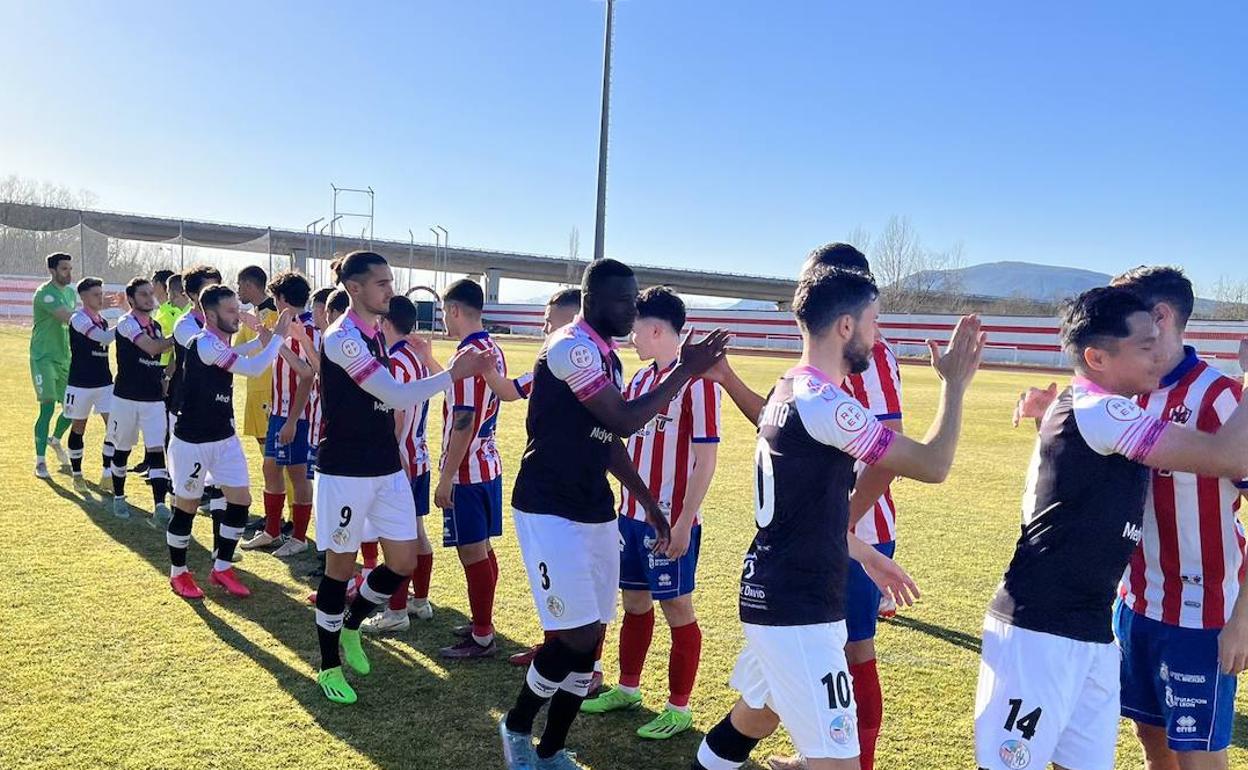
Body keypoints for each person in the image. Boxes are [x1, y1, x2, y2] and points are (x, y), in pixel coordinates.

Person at [692, 264, 980, 770]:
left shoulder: (787, 389)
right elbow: (933, 464)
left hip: (777, 594)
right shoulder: (826, 403)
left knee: (754, 718)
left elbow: (802, 512)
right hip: (799, 611)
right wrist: (954, 384)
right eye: (874, 321)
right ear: (846, 326)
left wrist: (866, 553)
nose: (879, 333)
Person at [977, 286, 1248, 770]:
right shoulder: (1102, 410)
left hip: (1092, 633)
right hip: (1038, 631)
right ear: (1097, 357)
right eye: (1144, 347)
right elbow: (1225, 456)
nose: (1157, 357)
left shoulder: (1097, 405)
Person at [498, 258, 729, 770]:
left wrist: (649, 504)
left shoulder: (610, 359)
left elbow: (606, 444)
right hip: (548, 509)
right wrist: (687, 369)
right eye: (623, 300)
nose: (631, 309)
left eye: (634, 299)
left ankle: (552, 749)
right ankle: (516, 726)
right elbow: (624, 422)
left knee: (593, 634)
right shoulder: (571, 348)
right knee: (575, 636)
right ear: (593, 301)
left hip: (596, 511)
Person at [311, 251, 495, 705]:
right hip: (346, 470)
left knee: (404, 562)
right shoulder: (342, 338)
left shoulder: (376, 334)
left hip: (387, 466)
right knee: (339, 568)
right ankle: (329, 665)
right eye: (381, 284)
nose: (390, 291)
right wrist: (453, 373)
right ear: (354, 289)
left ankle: (352, 624)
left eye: (391, 283)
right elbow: (392, 394)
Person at [761, 244, 905, 770]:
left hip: (856, 526)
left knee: (854, 651)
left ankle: (854, 762)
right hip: (818, 530)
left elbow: (891, 448)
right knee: (817, 655)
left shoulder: (874, 354)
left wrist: (844, 517)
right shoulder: (817, 356)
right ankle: (819, 755)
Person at [579, 286, 721, 741]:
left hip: (670, 524)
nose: (630, 337)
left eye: (636, 328)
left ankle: (679, 708)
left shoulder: (696, 384)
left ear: (656, 328)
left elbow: (706, 459)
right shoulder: (639, 381)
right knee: (634, 603)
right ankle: (628, 688)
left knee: (677, 607)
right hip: (629, 519)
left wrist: (682, 522)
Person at [165, 285, 299, 600]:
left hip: (224, 438)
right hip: (193, 441)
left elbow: (238, 356)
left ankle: (222, 567)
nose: (237, 315)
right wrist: (277, 336)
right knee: (187, 507)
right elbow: (251, 369)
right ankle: (178, 574)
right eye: (230, 311)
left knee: (240, 500)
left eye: (237, 308)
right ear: (209, 315)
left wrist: (260, 341)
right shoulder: (204, 342)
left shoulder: (217, 345)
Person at [481, 287, 582, 667]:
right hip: (543, 484)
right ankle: (553, 645)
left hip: (573, 488)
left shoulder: (590, 363)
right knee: (550, 571)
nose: (543, 327)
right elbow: (508, 391)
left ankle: (585, 662)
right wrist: (487, 369)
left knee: (577, 577)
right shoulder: (547, 363)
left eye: (548, 320)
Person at [436, 278, 510, 660]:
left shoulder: (467, 355)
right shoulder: (493, 348)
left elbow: (463, 418)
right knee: (481, 547)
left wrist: (446, 477)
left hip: (467, 470)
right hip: (488, 461)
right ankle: (484, 622)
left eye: (444, 313)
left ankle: (481, 635)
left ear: (455, 310)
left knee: (471, 551)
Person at [361, 295, 440, 633]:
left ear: (385, 322)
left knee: (397, 537)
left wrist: (388, 456)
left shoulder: (393, 360)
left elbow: (397, 412)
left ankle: (396, 612)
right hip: (418, 453)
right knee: (416, 532)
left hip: (400, 458)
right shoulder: (415, 357)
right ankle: (419, 601)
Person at [242, 271, 316, 557]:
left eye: (275, 297)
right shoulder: (285, 326)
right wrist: (263, 332)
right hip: (278, 411)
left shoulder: (308, 329)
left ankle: (299, 537)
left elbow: (309, 377)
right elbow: (275, 351)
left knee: (298, 475)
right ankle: (272, 531)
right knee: (270, 468)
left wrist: (294, 420)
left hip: (300, 414)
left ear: (283, 299)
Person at [109, 277, 176, 521]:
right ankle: (118, 498)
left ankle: (160, 506)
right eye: (144, 294)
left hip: (153, 399)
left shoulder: (157, 326)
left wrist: (166, 377)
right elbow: (152, 348)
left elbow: (166, 355)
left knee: (156, 449)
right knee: (123, 448)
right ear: (131, 299)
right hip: (126, 398)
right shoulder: (126, 322)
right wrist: (177, 337)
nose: (150, 298)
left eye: (151, 293)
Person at [64, 277, 116, 493]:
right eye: (96, 294)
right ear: (84, 297)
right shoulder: (78, 319)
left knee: (114, 427)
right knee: (79, 428)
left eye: (101, 293)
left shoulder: (102, 320)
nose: (100, 297)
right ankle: (77, 474)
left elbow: (106, 333)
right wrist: (126, 322)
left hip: (104, 382)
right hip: (80, 384)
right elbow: (103, 338)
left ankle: (107, 474)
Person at [31, 252, 77, 478]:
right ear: (52, 270)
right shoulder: (44, 294)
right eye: (64, 269)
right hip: (43, 358)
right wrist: (95, 313)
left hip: (64, 358)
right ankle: (40, 462)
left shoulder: (69, 292)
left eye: (70, 268)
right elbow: (67, 317)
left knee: (72, 408)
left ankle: (55, 440)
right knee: (47, 407)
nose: (69, 273)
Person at [235, 265, 278, 447]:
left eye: (239, 285)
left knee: (271, 444)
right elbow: (236, 349)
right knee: (262, 442)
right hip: (253, 387)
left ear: (249, 285)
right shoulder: (250, 315)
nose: (237, 291)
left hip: (269, 388)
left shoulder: (273, 312)